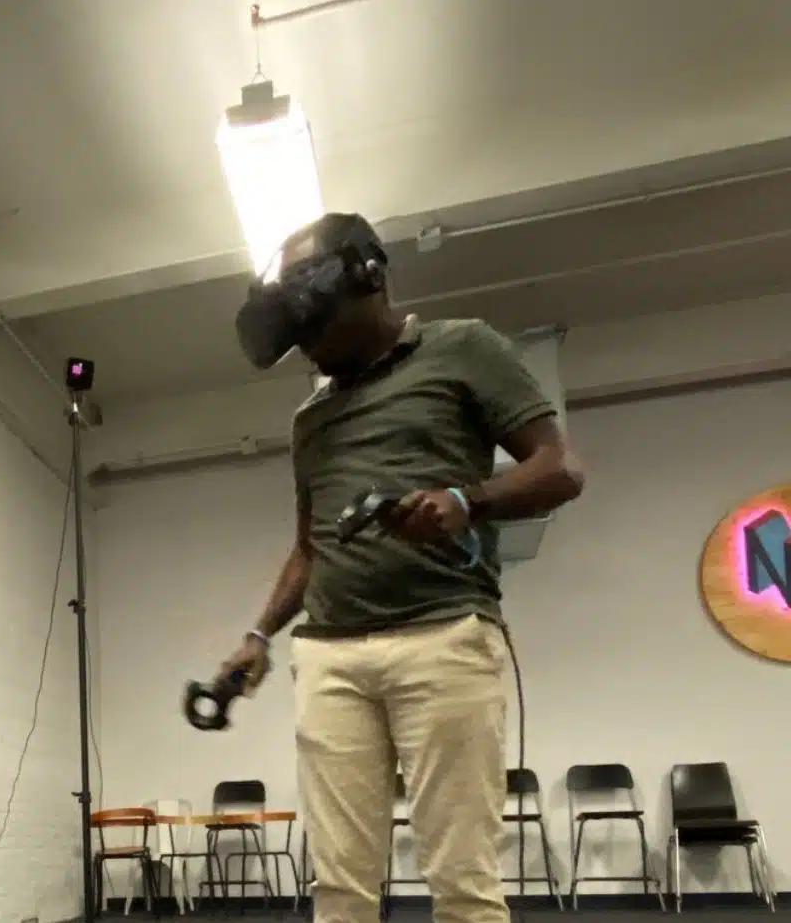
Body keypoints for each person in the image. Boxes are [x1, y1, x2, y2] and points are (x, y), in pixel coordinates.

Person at [218, 213, 586, 923]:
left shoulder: (461, 349)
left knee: (460, 879)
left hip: (442, 636)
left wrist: (465, 500)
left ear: (370, 278)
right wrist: (258, 637)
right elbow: (310, 544)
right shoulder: (310, 419)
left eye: (317, 329)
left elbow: (559, 467)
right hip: (329, 654)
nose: (311, 352)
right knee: (339, 886)